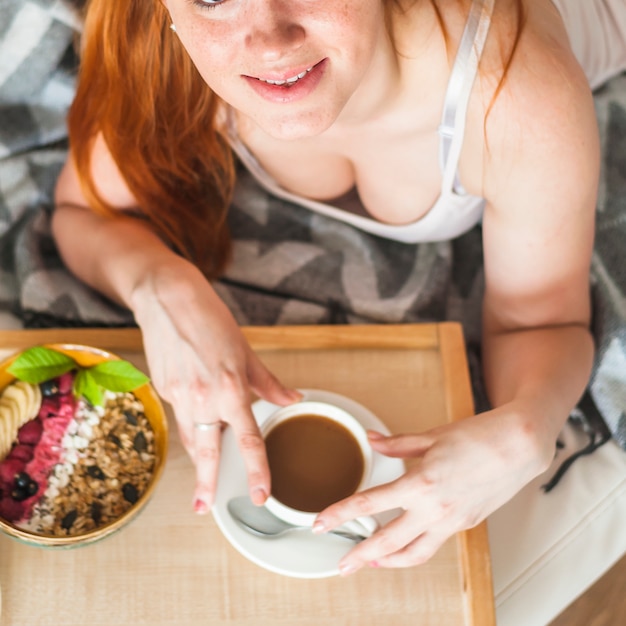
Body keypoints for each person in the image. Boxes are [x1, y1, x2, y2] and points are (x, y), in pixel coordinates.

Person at [52, 0, 626, 576]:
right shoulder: (164, 42)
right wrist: (160, 284)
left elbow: (541, 322)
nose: (272, 43)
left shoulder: (514, 89)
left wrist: (531, 426)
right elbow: (81, 213)